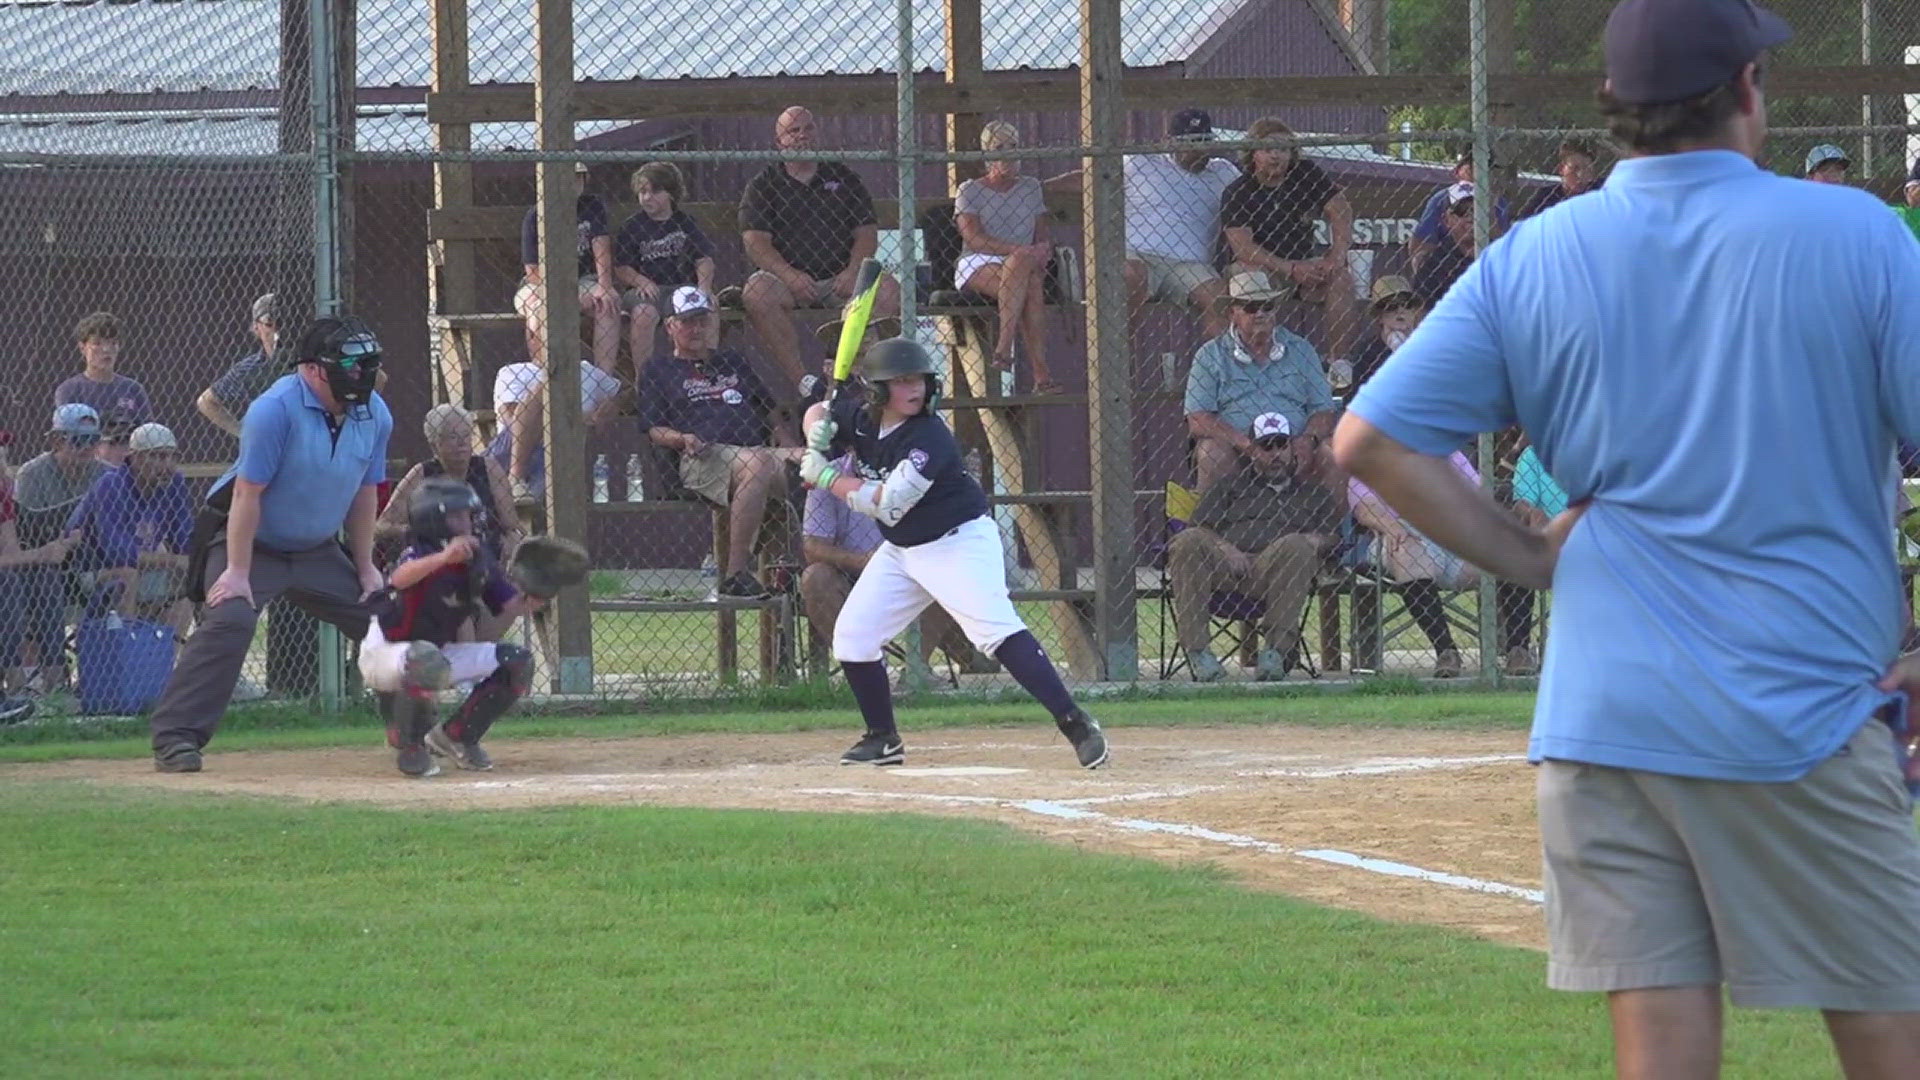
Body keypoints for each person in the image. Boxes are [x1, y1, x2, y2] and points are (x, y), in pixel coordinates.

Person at [1332, 0, 1920, 1071]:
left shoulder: (1535, 255)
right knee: (1890, 1029)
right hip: (1797, 705)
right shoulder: (1859, 234)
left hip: (1602, 716)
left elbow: (1369, 440)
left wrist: (1528, 558)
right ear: (1748, 91)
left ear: (1614, 113)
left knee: (1662, 1054)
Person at [800, 337, 1107, 769]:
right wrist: (814, 426)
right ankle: (882, 738)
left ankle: (1076, 723)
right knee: (853, 638)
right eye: (902, 381)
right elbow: (819, 412)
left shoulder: (930, 437)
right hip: (904, 548)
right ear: (876, 390)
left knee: (994, 631)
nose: (915, 389)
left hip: (956, 542)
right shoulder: (863, 418)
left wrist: (829, 476)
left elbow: (888, 502)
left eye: (921, 380)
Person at [149, 315, 393, 774]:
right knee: (231, 618)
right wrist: (237, 571)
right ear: (314, 369)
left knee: (384, 618)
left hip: (317, 546)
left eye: (366, 365)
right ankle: (176, 738)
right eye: (350, 365)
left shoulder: (373, 412)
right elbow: (247, 493)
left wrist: (365, 567)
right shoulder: (274, 408)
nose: (361, 376)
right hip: (250, 540)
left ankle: (412, 732)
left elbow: (365, 492)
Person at [360, 479, 542, 777]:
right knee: (425, 659)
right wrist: (444, 558)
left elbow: (511, 604)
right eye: (456, 517)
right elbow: (400, 579)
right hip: (385, 654)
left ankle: (456, 736)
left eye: (468, 516)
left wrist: (537, 593)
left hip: (436, 654)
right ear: (433, 521)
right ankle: (410, 744)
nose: (467, 524)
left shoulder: (477, 559)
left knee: (517, 661)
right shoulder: (418, 552)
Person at [639, 286, 801, 598]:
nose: (697, 328)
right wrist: (681, 438)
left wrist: (791, 447)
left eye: (702, 320)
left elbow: (769, 413)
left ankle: (803, 569)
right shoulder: (658, 370)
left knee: (814, 464)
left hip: (757, 453)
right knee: (758, 464)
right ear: (670, 326)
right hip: (702, 457)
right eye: (687, 322)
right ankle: (736, 575)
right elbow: (652, 429)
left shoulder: (733, 361)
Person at [1170, 413, 1344, 683]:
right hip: (1225, 570)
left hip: (1276, 571)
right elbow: (1197, 528)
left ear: (1291, 449)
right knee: (1187, 541)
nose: (1275, 453)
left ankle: (1275, 653)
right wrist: (1225, 548)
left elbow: (1334, 538)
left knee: (1296, 545)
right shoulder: (1229, 487)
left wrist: (1316, 541)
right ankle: (1198, 653)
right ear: (1253, 452)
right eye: (1266, 446)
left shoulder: (1313, 493)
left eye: (1281, 445)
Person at [739, 106, 900, 397]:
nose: (803, 136)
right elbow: (755, 243)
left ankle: (852, 379)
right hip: (787, 282)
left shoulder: (844, 177)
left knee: (888, 289)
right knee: (755, 291)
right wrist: (790, 277)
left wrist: (853, 272)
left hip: (841, 279)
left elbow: (866, 233)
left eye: (808, 128)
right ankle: (806, 384)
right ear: (779, 143)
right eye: (793, 131)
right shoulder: (763, 185)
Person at [1347, 449, 1537, 678]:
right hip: (1401, 534)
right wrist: (1393, 529)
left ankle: (1518, 650)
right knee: (1406, 551)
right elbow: (1365, 507)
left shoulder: (1448, 452)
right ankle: (1446, 651)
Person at [800, 451, 993, 676]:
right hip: (850, 573)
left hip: (913, 566)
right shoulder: (828, 473)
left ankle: (916, 670)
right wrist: (860, 561)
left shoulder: (920, 471)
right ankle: (865, 669)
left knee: (942, 566)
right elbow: (812, 546)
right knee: (815, 577)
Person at [1184, 271, 1338, 494]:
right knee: (1211, 451)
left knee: (1333, 450)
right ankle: (1214, 527)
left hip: (1294, 449)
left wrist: (1306, 440)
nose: (1260, 314)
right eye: (1250, 307)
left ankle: (1327, 527)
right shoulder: (1209, 355)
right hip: (1238, 451)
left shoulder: (1301, 349)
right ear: (1232, 314)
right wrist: (1249, 447)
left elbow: (1324, 410)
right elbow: (1197, 419)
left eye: (1267, 306)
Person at [1220, 117, 1358, 358]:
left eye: (1283, 149)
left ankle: (1339, 363)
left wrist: (1336, 256)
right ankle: (1253, 358)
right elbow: (1243, 247)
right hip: (1263, 268)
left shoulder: (1305, 174)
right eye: (1268, 149)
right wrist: (1290, 268)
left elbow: (1341, 210)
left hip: (1305, 264)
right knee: (1250, 278)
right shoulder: (1238, 191)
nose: (1276, 156)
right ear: (1253, 153)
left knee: (1342, 279)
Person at [954, 120, 1058, 391]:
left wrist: (1042, 250)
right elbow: (972, 237)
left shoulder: (1030, 187)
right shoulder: (970, 190)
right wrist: (1016, 250)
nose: (1008, 153)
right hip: (980, 260)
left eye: (1013, 146)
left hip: (1023, 261)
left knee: (1027, 273)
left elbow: (1042, 234)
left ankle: (1004, 347)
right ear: (987, 153)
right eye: (999, 147)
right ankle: (1040, 373)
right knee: (1027, 279)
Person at [65, 422, 194, 637]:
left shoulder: (173, 483)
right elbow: (119, 554)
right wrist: (174, 560)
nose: (168, 465)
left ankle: (165, 660)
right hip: (86, 572)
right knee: (128, 575)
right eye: (158, 457)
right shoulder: (111, 485)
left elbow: (185, 537)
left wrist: (192, 560)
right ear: (135, 458)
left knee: (192, 577)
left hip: (144, 568)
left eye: (172, 457)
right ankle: (129, 650)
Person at [11, 403, 105, 693]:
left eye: (93, 440)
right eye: (78, 440)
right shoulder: (32, 474)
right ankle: (43, 681)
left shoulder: (106, 475)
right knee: (44, 579)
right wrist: (61, 542)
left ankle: (104, 675)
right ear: (56, 440)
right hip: (42, 563)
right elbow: (24, 533)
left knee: (117, 578)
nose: (87, 448)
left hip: (90, 559)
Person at [1122, 108, 1238, 336]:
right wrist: (1041, 189)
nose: (1198, 149)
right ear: (1168, 141)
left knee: (1220, 298)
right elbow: (1090, 181)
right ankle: (1115, 365)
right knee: (1129, 276)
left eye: (1204, 141)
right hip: (1138, 255)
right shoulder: (1139, 162)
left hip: (1190, 265)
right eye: (1190, 142)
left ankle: (1216, 368)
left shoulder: (1224, 172)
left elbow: (1253, 195)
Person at [514, 161, 620, 376]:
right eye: (565, 178)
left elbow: (601, 246)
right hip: (541, 284)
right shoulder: (536, 216)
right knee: (538, 310)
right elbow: (532, 272)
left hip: (583, 281)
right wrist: (561, 294)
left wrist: (605, 285)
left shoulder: (592, 207)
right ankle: (542, 377)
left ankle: (602, 380)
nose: (572, 184)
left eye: (577, 178)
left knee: (608, 304)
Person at [380, 404, 522, 562]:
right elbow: (382, 526)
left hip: (488, 556)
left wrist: (511, 542)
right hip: (437, 560)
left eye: (466, 435)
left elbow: (511, 526)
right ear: (435, 444)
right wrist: (415, 533)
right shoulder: (421, 474)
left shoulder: (489, 468)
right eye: (453, 437)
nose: (462, 444)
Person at [615, 161, 717, 370]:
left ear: (671, 193)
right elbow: (622, 268)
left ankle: (706, 370)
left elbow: (703, 259)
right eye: (642, 192)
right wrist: (640, 281)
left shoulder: (686, 223)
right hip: (645, 292)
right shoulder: (633, 226)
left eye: (654, 191)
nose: (647, 197)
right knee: (644, 314)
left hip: (682, 288)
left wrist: (704, 288)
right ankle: (643, 379)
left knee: (710, 304)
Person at [490, 352, 627, 504]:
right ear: (532, 337)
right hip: (511, 449)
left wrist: (613, 406)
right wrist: (578, 417)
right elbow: (511, 420)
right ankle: (516, 478)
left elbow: (624, 392)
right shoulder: (513, 371)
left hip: (560, 450)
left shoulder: (587, 370)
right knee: (545, 386)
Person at [55, 312, 152, 467]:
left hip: (127, 463)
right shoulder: (69, 390)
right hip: (86, 462)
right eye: (97, 343)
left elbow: (146, 432)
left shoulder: (133, 389)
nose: (106, 350)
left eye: (113, 343)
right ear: (82, 347)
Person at [1407, 151, 1511, 271]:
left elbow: (1504, 244)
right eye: (1473, 167)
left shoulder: (1498, 202)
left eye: (1488, 168)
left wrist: (1490, 211)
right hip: (1449, 266)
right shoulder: (1442, 199)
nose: (1482, 172)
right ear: (1457, 172)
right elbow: (1421, 244)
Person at [196, 293, 281, 437]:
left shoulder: (307, 362)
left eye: (283, 324)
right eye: (269, 324)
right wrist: (243, 433)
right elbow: (206, 402)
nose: (277, 331)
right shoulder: (249, 368)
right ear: (256, 328)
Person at [1347, 276, 1428, 397]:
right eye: (1391, 306)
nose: (1400, 310)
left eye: (1407, 304)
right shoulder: (1367, 353)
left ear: (1413, 312)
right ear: (1380, 315)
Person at [1409, 182, 1478, 306]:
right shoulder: (1433, 265)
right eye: (1462, 211)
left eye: (1476, 210)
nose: (1470, 217)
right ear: (1447, 220)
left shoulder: (1502, 256)